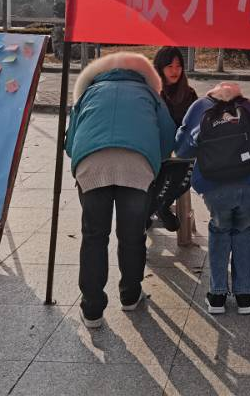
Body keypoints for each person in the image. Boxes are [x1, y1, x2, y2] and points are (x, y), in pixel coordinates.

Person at [64, 52, 176, 327]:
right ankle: (130, 295)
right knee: (132, 235)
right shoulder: (150, 95)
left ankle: (92, 309)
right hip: (137, 165)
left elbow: (70, 142)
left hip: (92, 164)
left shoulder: (89, 93)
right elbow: (168, 137)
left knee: (94, 236)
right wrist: (154, 161)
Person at [176, 82, 250, 315]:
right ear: (239, 94)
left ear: (212, 93)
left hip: (214, 184)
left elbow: (182, 150)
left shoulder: (199, 107)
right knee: (244, 227)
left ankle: (217, 296)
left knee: (220, 228)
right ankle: (245, 297)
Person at [146, 47, 198, 231]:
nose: (175, 70)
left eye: (178, 66)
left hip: (179, 151)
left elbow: (195, 125)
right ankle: (155, 208)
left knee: (188, 169)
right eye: (169, 66)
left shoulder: (189, 94)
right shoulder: (150, 92)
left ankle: (160, 206)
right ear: (159, 68)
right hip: (154, 149)